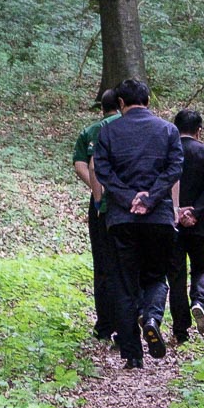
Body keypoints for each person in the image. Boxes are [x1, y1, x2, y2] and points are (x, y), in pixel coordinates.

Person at [91, 78, 183, 367]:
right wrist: (151, 198)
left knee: (123, 282)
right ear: (148, 101)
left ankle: (132, 354)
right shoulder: (168, 129)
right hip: (159, 218)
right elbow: (175, 168)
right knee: (156, 275)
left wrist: (130, 197)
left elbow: (102, 171)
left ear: (120, 104)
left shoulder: (108, 132)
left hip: (120, 219)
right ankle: (153, 317)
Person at [72, 88, 122, 342]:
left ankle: (104, 325)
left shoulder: (91, 130)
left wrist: (96, 189)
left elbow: (81, 164)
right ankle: (131, 318)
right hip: (128, 203)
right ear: (122, 104)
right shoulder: (128, 126)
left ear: (101, 107)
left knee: (102, 265)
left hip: (100, 205)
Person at [173, 109, 204, 338]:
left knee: (176, 275)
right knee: (200, 268)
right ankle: (199, 301)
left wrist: (178, 211)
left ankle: (180, 329)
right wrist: (195, 211)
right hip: (200, 224)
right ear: (199, 131)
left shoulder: (168, 153)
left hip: (171, 223)